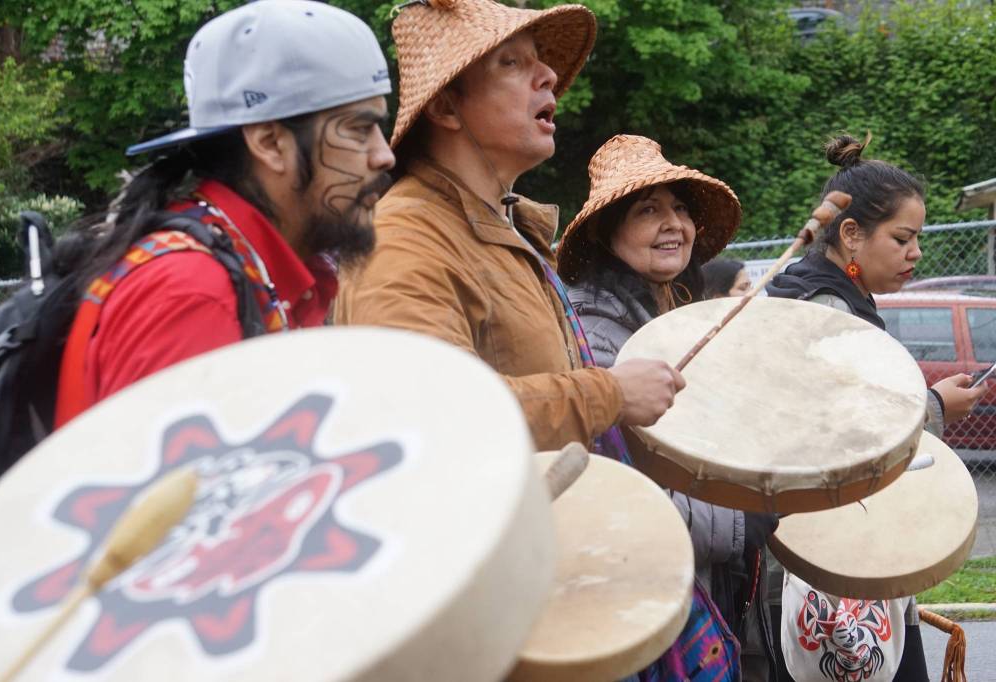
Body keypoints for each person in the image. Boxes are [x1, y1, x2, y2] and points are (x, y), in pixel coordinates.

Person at [334, 0, 684, 456]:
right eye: (512, 62)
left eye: (538, 57)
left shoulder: (512, 228)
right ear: (445, 107)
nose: (549, 76)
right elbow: (425, 412)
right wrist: (609, 394)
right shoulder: (405, 238)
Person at [51, 0, 395, 424]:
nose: (384, 154)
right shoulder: (191, 292)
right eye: (359, 130)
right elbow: (182, 489)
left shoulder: (246, 270)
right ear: (269, 143)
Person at [556, 134, 778, 681]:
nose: (673, 223)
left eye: (680, 207)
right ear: (609, 233)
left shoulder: (679, 315)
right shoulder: (596, 338)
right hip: (645, 589)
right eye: (647, 210)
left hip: (700, 576)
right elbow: (620, 488)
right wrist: (738, 522)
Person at [766, 134, 987, 682]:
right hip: (831, 554)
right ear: (850, 233)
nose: (916, 253)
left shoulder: (813, 294)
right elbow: (841, 434)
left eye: (918, 238)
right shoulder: (828, 310)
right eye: (903, 238)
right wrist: (935, 407)